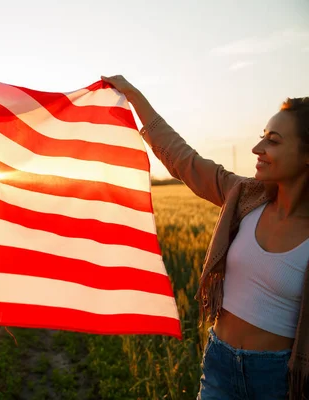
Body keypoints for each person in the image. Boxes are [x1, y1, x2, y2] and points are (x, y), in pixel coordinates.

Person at [101, 75, 309, 399]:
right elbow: (184, 160)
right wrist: (134, 95)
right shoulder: (243, 195)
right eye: (261, 138)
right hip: (218, 367)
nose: (257, 148)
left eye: (274, 141)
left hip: (278, 381)